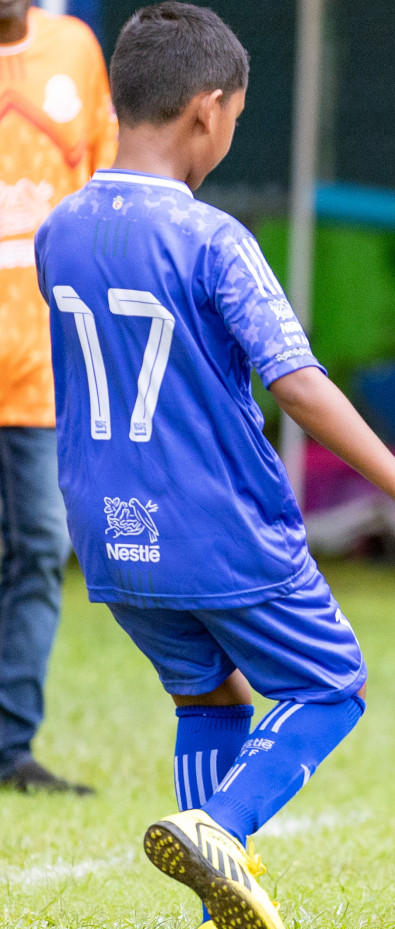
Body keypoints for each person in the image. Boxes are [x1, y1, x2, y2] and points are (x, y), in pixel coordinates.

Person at [34, 3, 395, 929]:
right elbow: (298, 384)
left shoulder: (60, 231)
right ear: (206, 111)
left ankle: (214, 924)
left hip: (108, 531)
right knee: (328, 682)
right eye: (234, 115)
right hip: (219, 527)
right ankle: (221, 829)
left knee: (209, 697)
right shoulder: (212, 239)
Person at [0, 0, 117, 794]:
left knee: (42, 547)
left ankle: (10, 747)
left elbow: (102, 193)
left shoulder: (76, 47)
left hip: (42, 366)